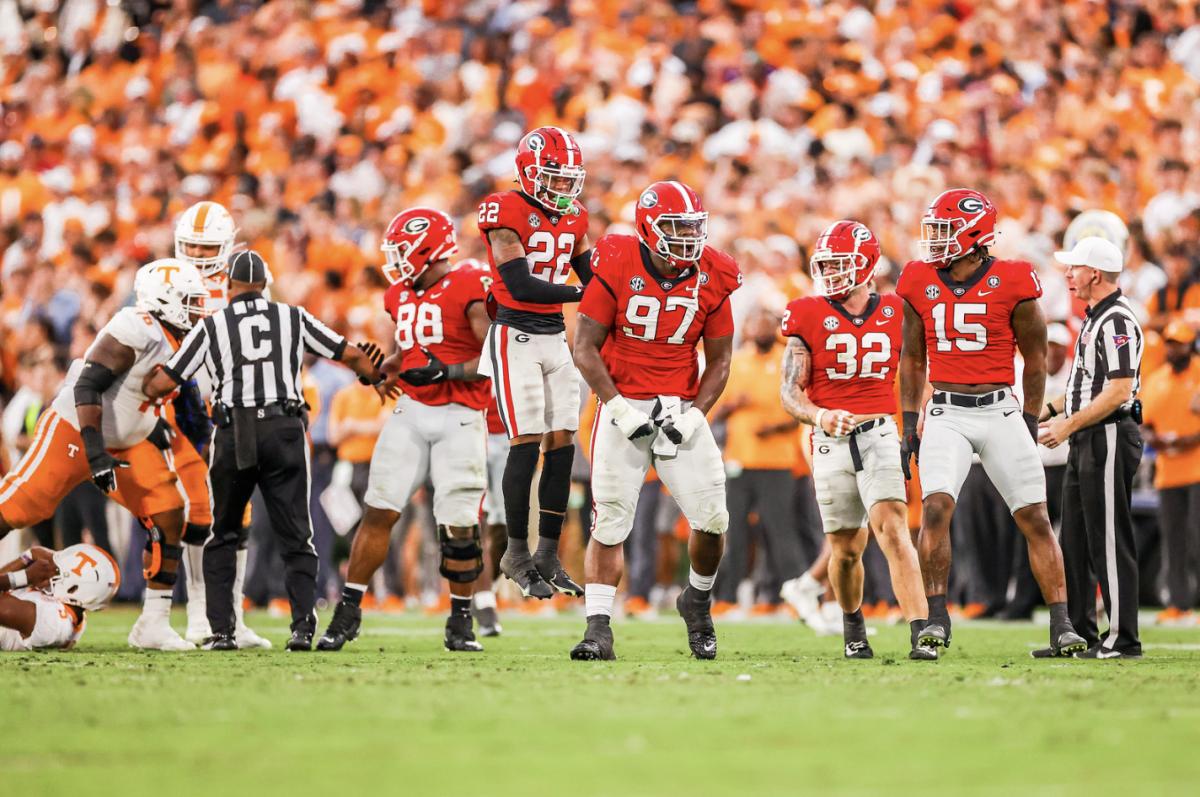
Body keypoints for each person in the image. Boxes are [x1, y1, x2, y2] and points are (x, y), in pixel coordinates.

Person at [144, 251, 382, 651]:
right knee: (296, 534)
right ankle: (303, 628)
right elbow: (350, 354)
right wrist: (376, 377)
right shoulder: (293, 316)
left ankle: (222, 632)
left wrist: (140, 378)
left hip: (235, 430)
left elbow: (164, 381)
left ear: (230, 287)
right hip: (284, 427)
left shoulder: (213, 325)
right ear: (265, 285)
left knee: (224, 533)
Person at [897, 188, 1087, 657]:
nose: (935, 242)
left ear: (975, 235)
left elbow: (1036, 358)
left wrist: (1026, 417)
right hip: (946, 410)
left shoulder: (1014, 279)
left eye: (945, 231)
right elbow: (912, 358)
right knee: (937, 507)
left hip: (1001, 407)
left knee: (1034, 515)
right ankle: (936, 620)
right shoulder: (918, 279)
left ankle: (1061, 624)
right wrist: (906, 423)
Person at [0, 259, 211, 651]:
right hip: (77, 431)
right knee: (16, 507)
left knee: (168, 509)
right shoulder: (135, 325)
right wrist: (95, 453)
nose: (198, 308)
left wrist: (157, 426)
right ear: (164, 301)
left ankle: (154, 622)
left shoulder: (180, 338)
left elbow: (141, 394)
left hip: (128, 441)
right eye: (190, 300)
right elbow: (88, 386)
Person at [570, 180, 739, 661]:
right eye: (675, 227)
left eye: (692, 227)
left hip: (680, 405)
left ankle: (697, 601)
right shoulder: (617, 259)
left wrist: (696, 415)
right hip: (622, 400)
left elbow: (721, 361)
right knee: (611, 520)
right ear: (647, 227)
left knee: (712, 519)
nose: (686, 237)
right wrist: (618, 406)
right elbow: (584, 348)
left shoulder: (714, 273)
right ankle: (598, 628)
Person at [317, 208, 493, 653]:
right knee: (379, 508)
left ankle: (461, 621)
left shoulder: (471, 284)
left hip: (460, 414)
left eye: (402, 251)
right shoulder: (398, 294)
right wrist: (384, 370)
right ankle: (349, 611)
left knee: (459, 524)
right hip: (412, 411)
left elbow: (494, 354)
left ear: (429, 249)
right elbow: (408, 353)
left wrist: (447, 370)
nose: (396, 261)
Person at [780, 220, 935, 660]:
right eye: (825, 265)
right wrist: (820, 415)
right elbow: (790, 391)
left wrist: (918, 414)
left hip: (880, 430)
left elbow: (917, 369)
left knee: (893, 528)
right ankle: (852, 625)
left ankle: (920, 630)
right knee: (847, 549)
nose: (831, 273)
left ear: (866, 266)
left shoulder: (896, 310)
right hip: (829, 438)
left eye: (839, 264)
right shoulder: (805, 312)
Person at [477, 127, 593, 600]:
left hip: (554, 338)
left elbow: (592, 274)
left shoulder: (576, 217)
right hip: (515, 333)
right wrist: (585, 294)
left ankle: (548, 551)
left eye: (569, 180)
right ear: (528, 173)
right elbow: (521, 285)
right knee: (524, 439)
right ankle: (515, 550)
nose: (563, 189)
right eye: (554, 178)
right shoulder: (505, 210)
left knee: (563, 438)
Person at [1040, 236, 1145, 658]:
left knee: (1107, 539)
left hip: (1109, 434)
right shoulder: (1093, 318)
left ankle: (1123, 637)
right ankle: (1080, 632)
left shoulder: (1116, 320)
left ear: (1094, 274)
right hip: (1090, 433)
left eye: (1074, 267)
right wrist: (1046, 411)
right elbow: (1083, 387)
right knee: (1076, 540)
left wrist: (1066, 427)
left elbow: (1119, 391)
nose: (1068, 274)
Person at [172, 199, 269, 649]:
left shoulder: (246, 284)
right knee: (198, 509)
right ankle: (197, 611)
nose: (195, 256)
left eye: (205, 247)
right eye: (189, 246)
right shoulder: (166, 283)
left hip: (234, 407)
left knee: (239, 511)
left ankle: (231, 613)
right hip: (183, 410)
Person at [711, 305, 810, 617]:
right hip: (739, 459)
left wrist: (777, 425)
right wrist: (730, 407)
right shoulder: (737, 362)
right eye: (754, 322)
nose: (760, 329)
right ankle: (727, 597)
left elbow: (803, 407)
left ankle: (793, 598)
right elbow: (714, 410)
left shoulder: (788, 360)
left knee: (781, 532)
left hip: (777, 461)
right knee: (734, 532)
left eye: (766, 323)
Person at [1139, 320, 1200, 626]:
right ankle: (1178, 603)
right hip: (1168, 472)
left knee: (1197, 539)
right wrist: (1155, 440)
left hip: (1197, 469)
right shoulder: (1157, 379)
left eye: (1180, 343)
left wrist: (1188, 439)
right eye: (1171, 343)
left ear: (1191, 344)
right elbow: (1145, 423)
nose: (1174, 348)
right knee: (1173, 541)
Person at [0, 544, 119, 651]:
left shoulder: (51, 620)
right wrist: (27, 557)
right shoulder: (72, 612)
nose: (52, 571)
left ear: (73, 588)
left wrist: (24, 577)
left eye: (58, 571)